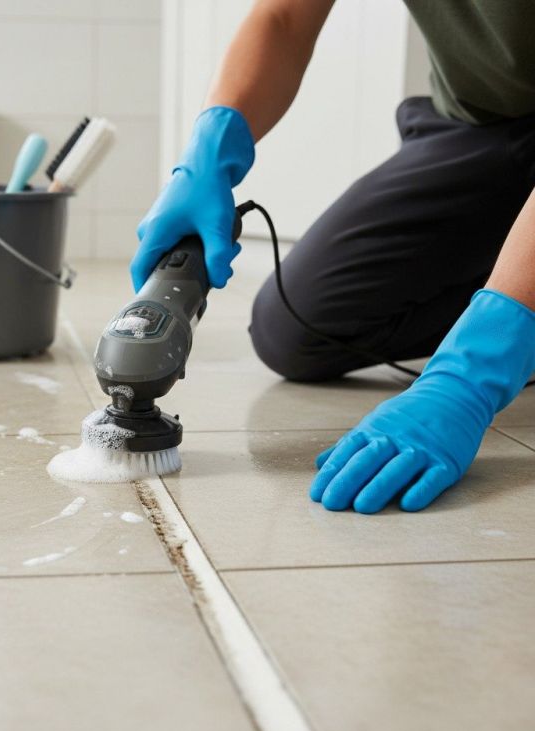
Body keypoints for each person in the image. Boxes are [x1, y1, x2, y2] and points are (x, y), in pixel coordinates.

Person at [130, 0, 535, 514]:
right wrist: (206, 157)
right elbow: (283, 18)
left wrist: (469, 375)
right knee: (297, 330)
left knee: (500, 337)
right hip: (480, 129)